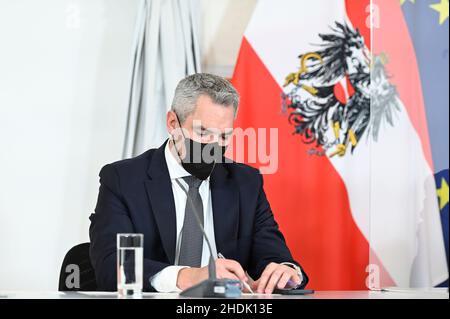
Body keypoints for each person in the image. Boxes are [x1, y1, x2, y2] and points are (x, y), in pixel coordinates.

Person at [89, 73, 308, 293]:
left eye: (224, 137)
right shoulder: (122, 180)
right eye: (203, 133)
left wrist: (286, 271)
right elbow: (111, 267)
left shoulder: (245, 183)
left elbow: (272, 255)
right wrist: (189, 276)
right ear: (173, 123)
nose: (214, 148)